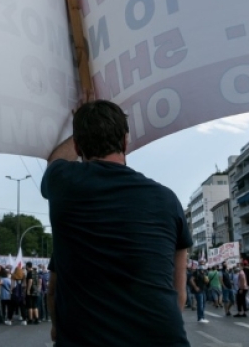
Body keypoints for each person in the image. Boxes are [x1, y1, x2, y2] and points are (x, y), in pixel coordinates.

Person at [42, 100, 192, 347]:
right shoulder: (167, 199)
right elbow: (179, 293)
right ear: (125, 142)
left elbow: (55, 160)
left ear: (78, 147)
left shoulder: (63, 184)